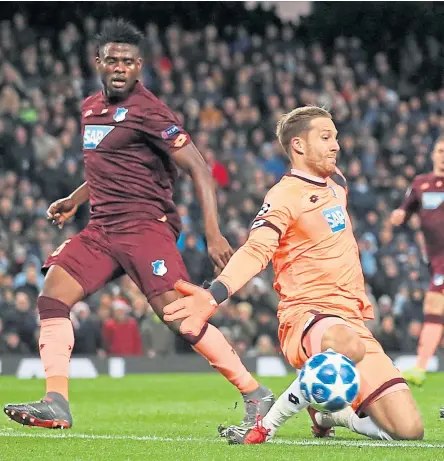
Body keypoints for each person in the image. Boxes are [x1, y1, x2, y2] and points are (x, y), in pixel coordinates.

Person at [3, 19, 273, 429]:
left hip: (146, 226)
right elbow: (105, 165)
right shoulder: (91, 108)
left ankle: (254, 392)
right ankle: (56, 400)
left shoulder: (151, 112)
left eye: (127, 61)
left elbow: (200, 169)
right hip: (101, 228)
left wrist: (213, 232)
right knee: (52, 295)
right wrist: (75, 201)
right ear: (98, 61)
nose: (118, 67)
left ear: (139, 66)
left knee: (179, 315)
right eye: (111, 59)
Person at [163, 106, 424, 444]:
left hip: (351, 319)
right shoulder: (284, 196)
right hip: (307, 314)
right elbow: (257, 250)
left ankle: (330, 413)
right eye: (326, 138)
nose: (336, 146)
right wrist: (214, 294)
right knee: (347, 344)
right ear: (298, 145)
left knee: (409, 431)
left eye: (336, 137)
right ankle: (265, 426)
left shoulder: (337, 183)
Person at [390, 137, 444, 386]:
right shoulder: (421, 184)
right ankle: (420, 367)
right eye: (440, 150)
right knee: (433, 307)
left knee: (434, 303)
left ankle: (421, 366)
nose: (443, 155)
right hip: (436, 259)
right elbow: (406, 207)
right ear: (433, 154)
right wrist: (400, 214)